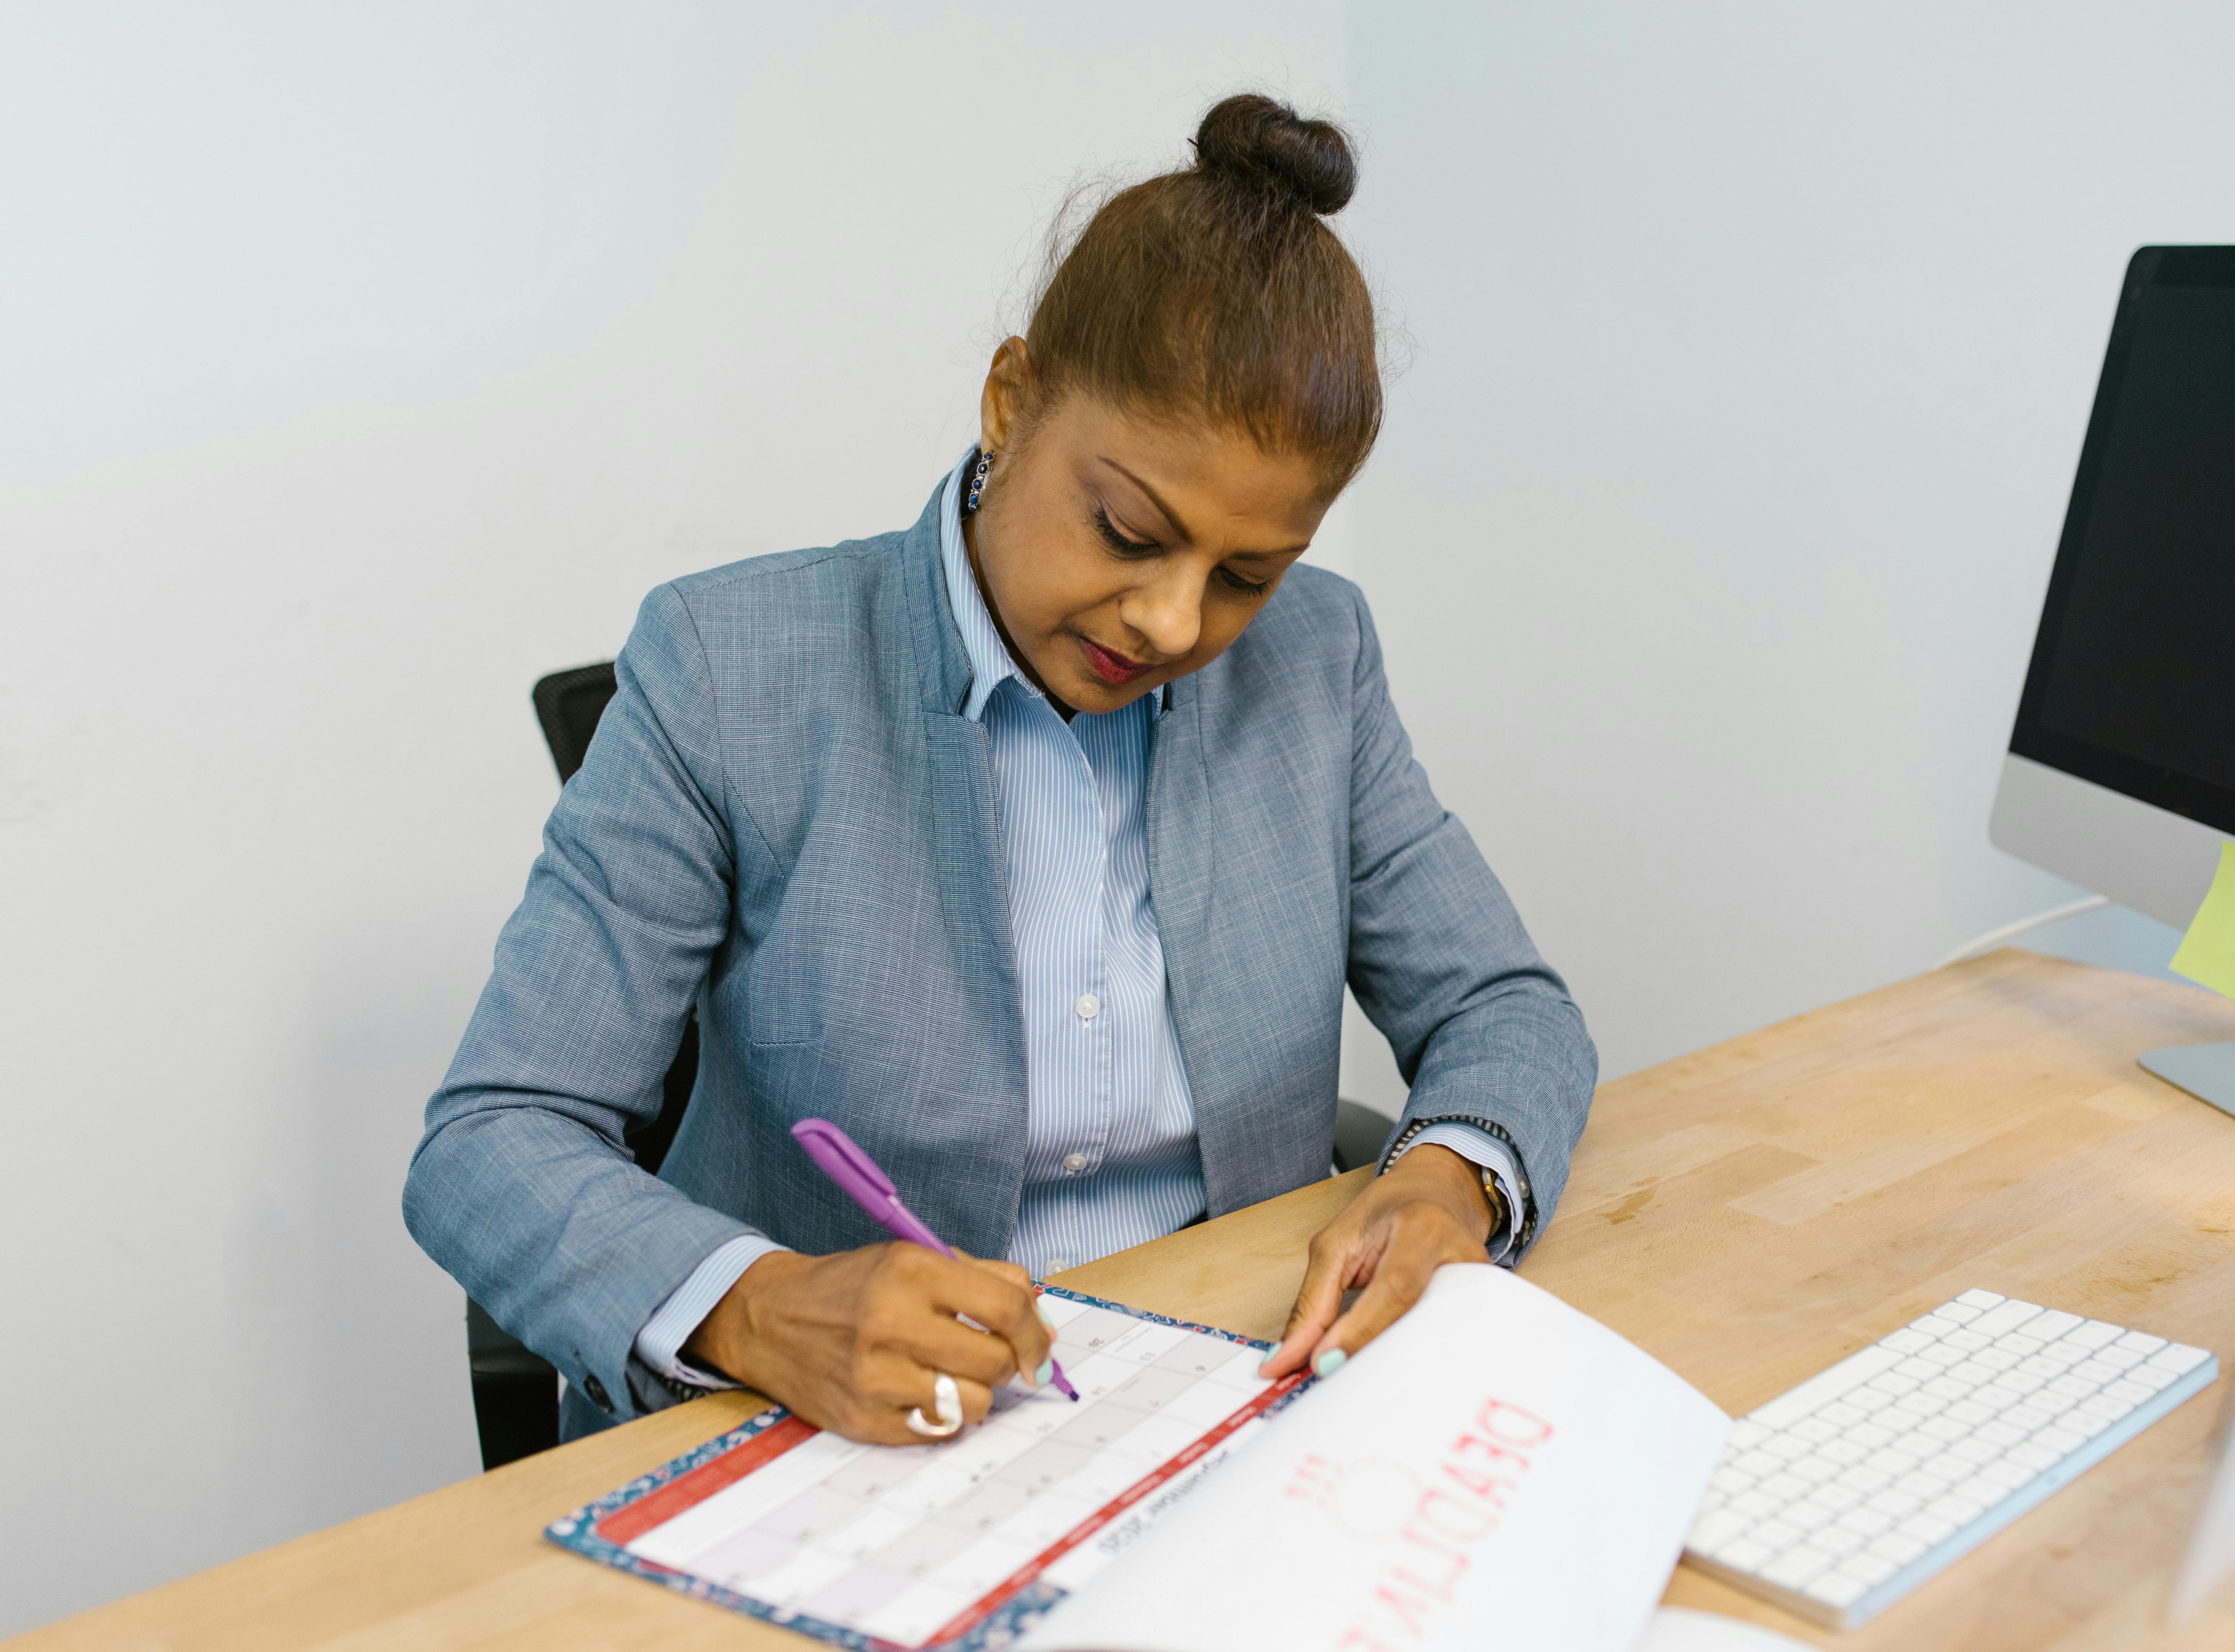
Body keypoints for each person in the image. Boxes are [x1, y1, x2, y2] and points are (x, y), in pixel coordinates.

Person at [404, 93, 1596, 1448]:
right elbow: (493, 1136)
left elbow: (1508, 1006)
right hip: (833, 1438)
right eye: (1127, 530)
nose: (1171, 623)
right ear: (1011, 400)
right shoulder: (729, 670)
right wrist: (758, 1305)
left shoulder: (1316, 664)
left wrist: (1447, 1180)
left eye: (1245, 578)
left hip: (1227, 1403)